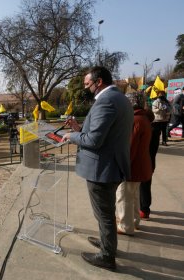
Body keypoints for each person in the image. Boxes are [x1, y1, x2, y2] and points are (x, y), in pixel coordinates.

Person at [62, 66, 134, 270]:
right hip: (110, 165)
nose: (86, 88)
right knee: (105, 213)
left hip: (102, 169)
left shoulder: (106, 101)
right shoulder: (119, 98)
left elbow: (94, 140)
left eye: (87, 84)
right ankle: (107, 243)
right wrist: (79, 128)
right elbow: (103, 132)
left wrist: (72, 136)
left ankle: (107, 256)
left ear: (99, 81)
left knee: (104, 214)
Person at [115, 91, 152, 236]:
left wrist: (121, 167)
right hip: (141, 166)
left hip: (132, 167)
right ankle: (135, 221)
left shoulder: (134, 120)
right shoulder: (143, 118)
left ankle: (125, 226)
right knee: (134, 196)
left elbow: (129, 148)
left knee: (123, 196)